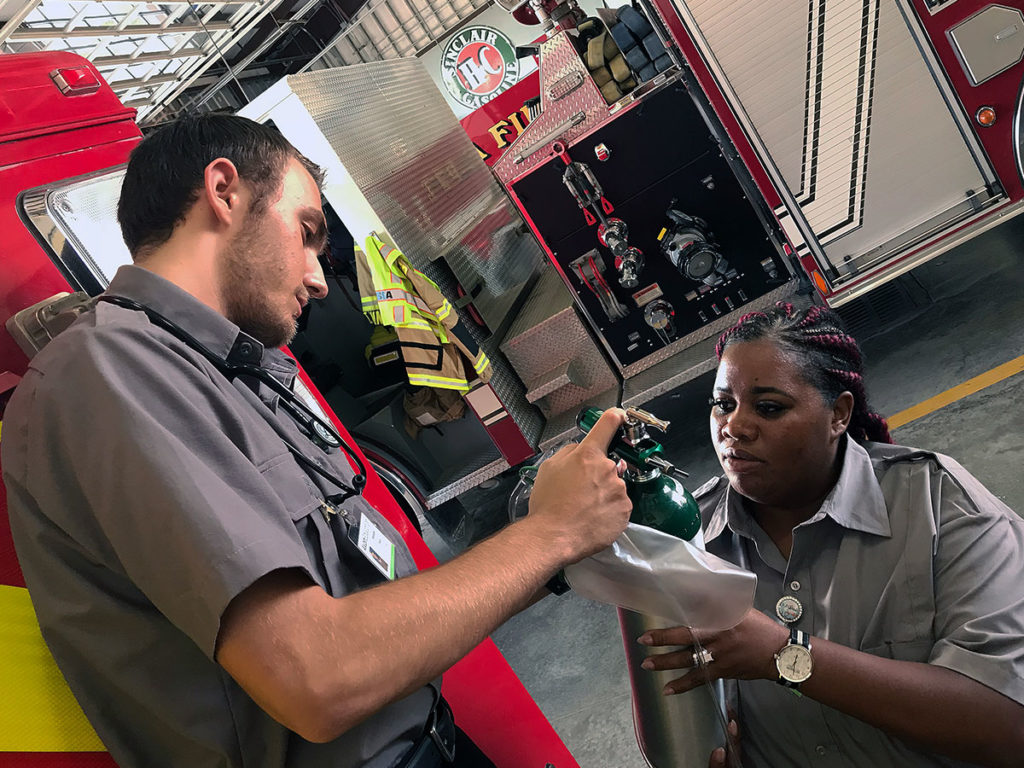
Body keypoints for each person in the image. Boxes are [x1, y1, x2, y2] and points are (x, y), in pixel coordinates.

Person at [0, 114, 633, 768]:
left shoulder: (224, 368)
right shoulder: (110, 375)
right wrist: (553, 532)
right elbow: (316, 677)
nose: (320, 277)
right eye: (306, 233)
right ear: (224, 192)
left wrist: (554, 538)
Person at [638, 303, 1024, 767]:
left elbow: (1007, 725)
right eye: (723, 404)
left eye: (768, 407)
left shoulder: (938, 504)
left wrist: (786, 655)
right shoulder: (689, 540)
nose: (734, 427)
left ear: (839, 414)